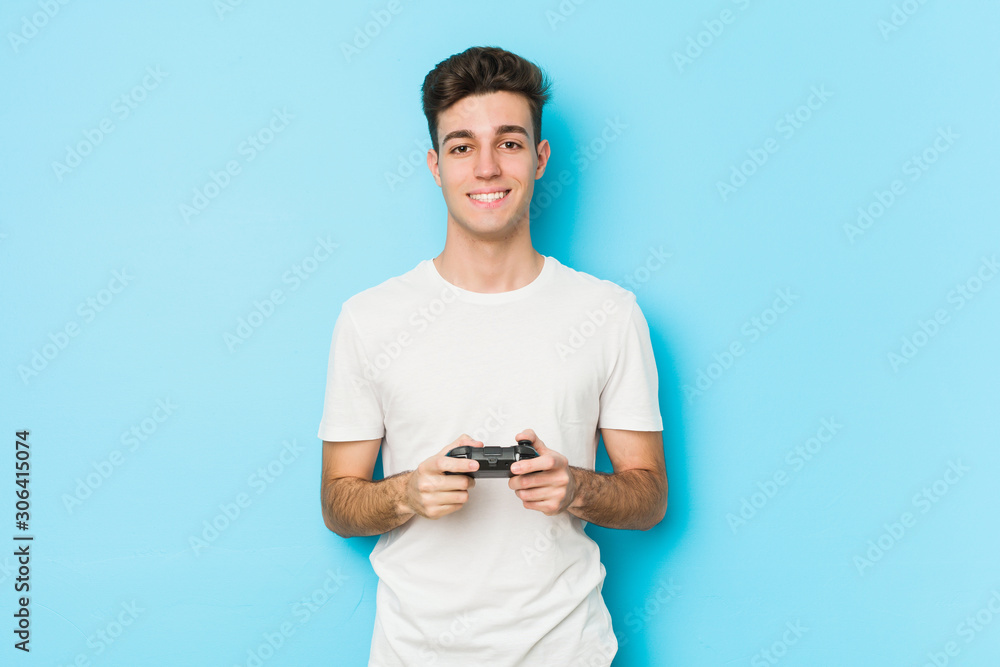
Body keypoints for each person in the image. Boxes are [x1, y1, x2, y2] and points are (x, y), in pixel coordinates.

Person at [318, 45, 667, 666]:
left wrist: (575, 486)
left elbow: (650, 497)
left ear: (539, 158)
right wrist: (407, 494)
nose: (486, 168)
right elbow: (338, 504)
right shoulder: (369, 319)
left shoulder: (609, 313)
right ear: (435, 165)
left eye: (508, 143)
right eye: (461, 147)